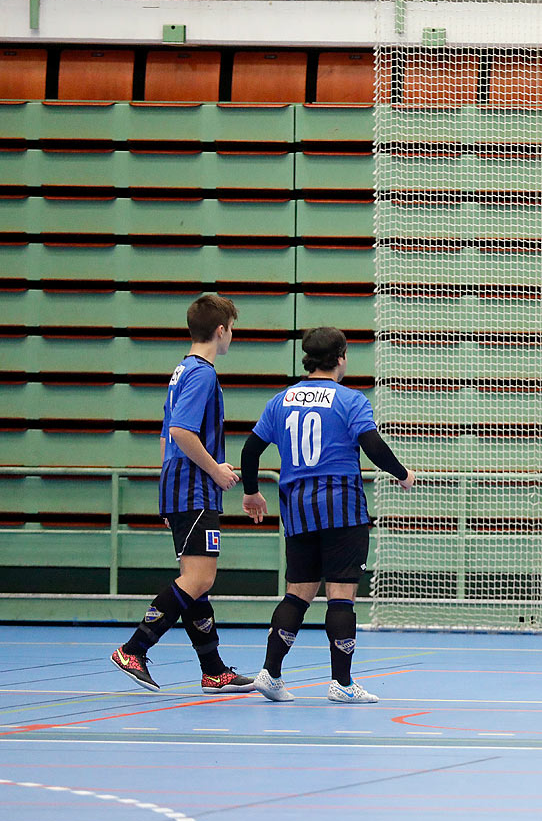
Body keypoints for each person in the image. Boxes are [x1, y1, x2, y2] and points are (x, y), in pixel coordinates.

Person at [240, 327, 416, 704]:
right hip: (341, 510)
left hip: (298, 510)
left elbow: (251, 449)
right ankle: (342, 683)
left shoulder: (281, 400)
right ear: (340, 358)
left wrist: (252, 492)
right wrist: (402, 474)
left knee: (297, 595)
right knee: (341, 597)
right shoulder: (350, 400)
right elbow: (372, 445)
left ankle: (270, 673)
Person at [109, 294, 255, 695]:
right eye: (232, 329)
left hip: (179, 484)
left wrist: (166, 484)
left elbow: (164, 435)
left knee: (198, 580)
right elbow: (180, 432)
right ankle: (134, 648)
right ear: (221, 330)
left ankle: (213, 669)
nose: (232, 337)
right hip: (194, 487)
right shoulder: (203, 373)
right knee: (200, 576)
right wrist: (216, 469)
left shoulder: (180, 371)